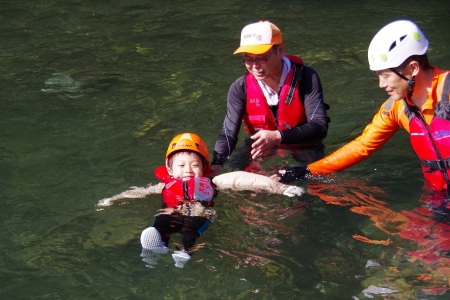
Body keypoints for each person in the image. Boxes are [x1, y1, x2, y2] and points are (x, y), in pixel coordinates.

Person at [276, 19, 450, 194]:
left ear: (412, 68)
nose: (381, 84)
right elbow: (362, 146)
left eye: (386, 76)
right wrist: (309, 170)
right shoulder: (396, 108)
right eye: (378, 76)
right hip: (436, 195)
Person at [98, 133, 304, 268]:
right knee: (163, 221)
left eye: (194, 165)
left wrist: (280, 188)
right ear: (170, 169)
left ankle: (185, 251)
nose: (188, 170)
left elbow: (242, 178)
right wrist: (114, 199)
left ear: (204, 167)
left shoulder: (213, 181)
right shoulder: (165, 185)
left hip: (200, 211)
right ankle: (159, 244)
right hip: (172, 210)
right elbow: (139, 192)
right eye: (181, 166)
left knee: (191, 227)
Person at [211, 20, 330, 175]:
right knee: (235, 172)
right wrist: (217, 163)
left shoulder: (306, 76)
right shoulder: (240, 87)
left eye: (261, 58)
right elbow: (228, 133)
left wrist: (279, 135)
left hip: (303, 142)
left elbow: (320, 126)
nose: (254, 66)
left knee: (311, 178)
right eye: (248, 59)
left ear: (280, 50)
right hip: (261, 143)